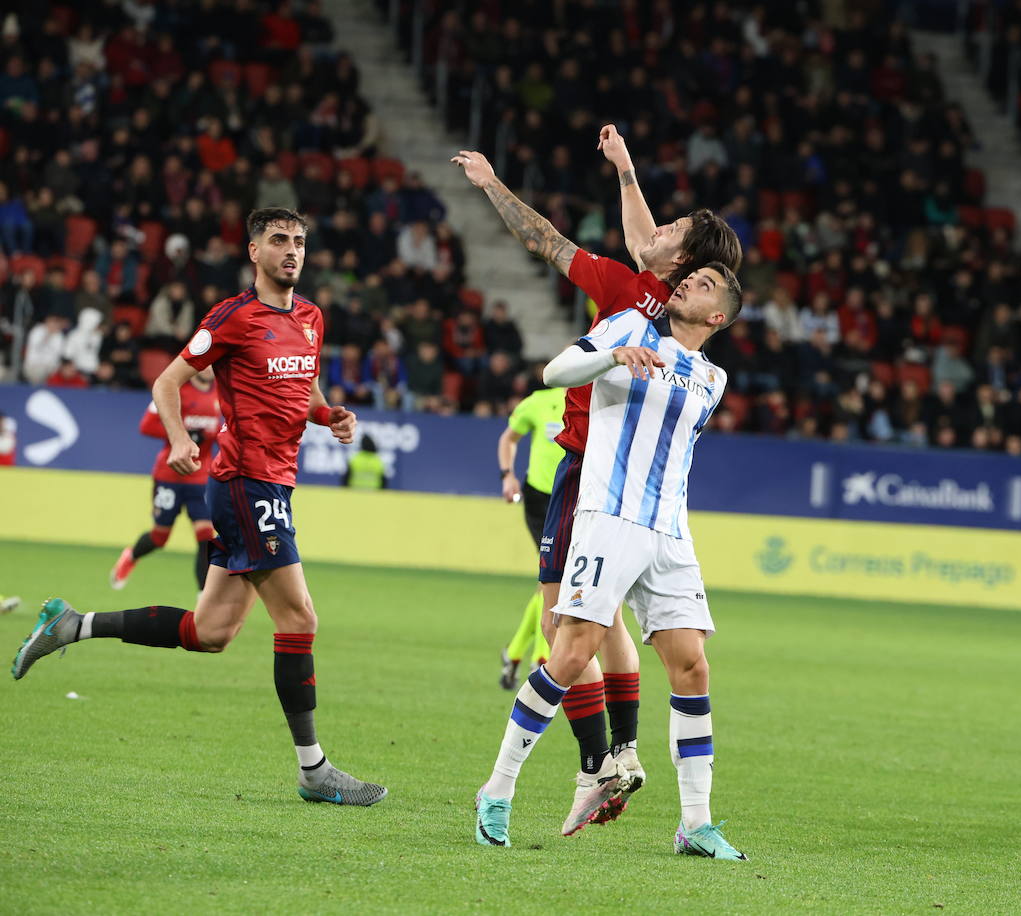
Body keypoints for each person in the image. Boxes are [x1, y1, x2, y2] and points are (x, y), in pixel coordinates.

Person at [11, 208, 387, 807]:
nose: (291, 251)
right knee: (300, 620)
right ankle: (314, 771)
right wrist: (181, 437)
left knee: (209, 632)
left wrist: (329, 414)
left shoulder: (312, 318)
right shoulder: (232, 317)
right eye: (279, 242)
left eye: (298, 242)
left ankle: (72, 625)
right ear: (254, 251)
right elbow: (166, 382)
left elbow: (303, 388)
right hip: (245, 482)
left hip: (273, 484)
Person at [452, 129, 742, 834]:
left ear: (694, 278)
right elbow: (642, 243)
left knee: (573, 632)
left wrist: (496, 184)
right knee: (586, 629)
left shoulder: (672, 328)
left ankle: (613, 765)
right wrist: (626, 171)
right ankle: (610, 756)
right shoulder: (636, 303)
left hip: (614, 492)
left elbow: (558, 242)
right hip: (600, 478)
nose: (654, 228)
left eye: (673, 232)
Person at [109, 367, 221, 591]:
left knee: (206, 537)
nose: (209, 368)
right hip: (170, 474)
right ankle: (131, 557)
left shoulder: (221, 391)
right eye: (206, 364)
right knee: (160, 537)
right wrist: (182, 434)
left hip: (200, 476)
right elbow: (147, 425)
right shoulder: (176, 389)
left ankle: (204, 598)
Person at [496, 383, 566, 689]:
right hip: (540, 500)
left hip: (575, 498)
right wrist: (507, 475)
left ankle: (514, 653)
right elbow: (509, 437)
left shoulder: (598, 399)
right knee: (551, 582)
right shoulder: (541, 402)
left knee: (549, 584)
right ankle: (541, 656)